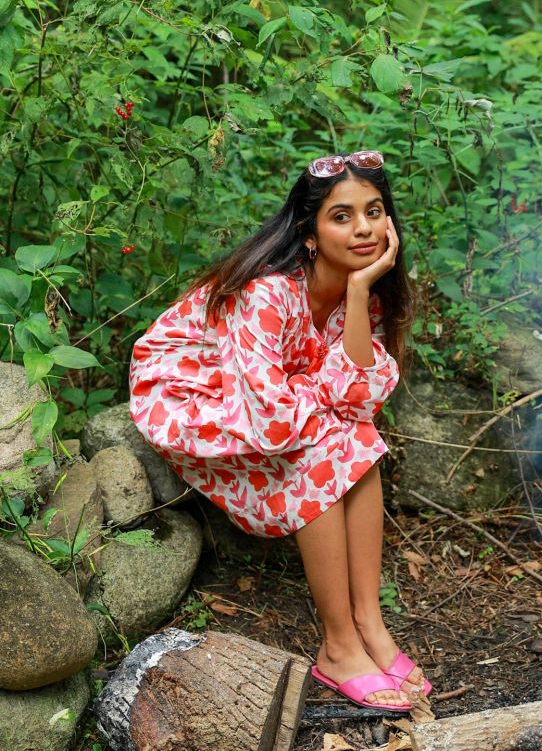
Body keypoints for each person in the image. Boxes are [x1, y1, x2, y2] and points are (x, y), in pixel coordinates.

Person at [129, 150, 431, 711]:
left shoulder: (358, 290)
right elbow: (273, 423)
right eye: (342, 216)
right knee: (321, 443)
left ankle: (369, 622)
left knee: (357, 438)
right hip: (197, 396)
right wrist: (326, 399)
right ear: (309, 232)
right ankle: (338, 646)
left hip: (279, 400)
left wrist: (362, 290)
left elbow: (362, 397)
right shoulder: (267, 293)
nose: (363, 228)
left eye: (374, 211)